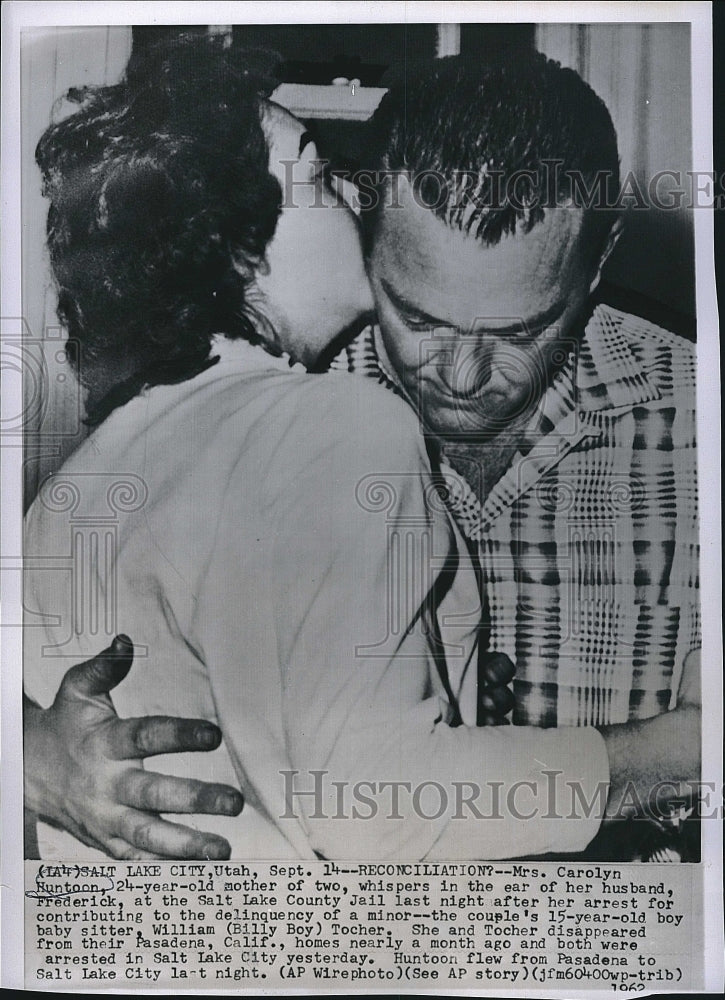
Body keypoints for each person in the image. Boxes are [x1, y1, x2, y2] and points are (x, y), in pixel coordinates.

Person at [24, 42, 700, 859]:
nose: (462, 376)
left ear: (599, 262)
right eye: (417, 317)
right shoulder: (307, 413)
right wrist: (31, 748)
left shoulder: (700, 420)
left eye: (520, 330)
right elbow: (372, 805)